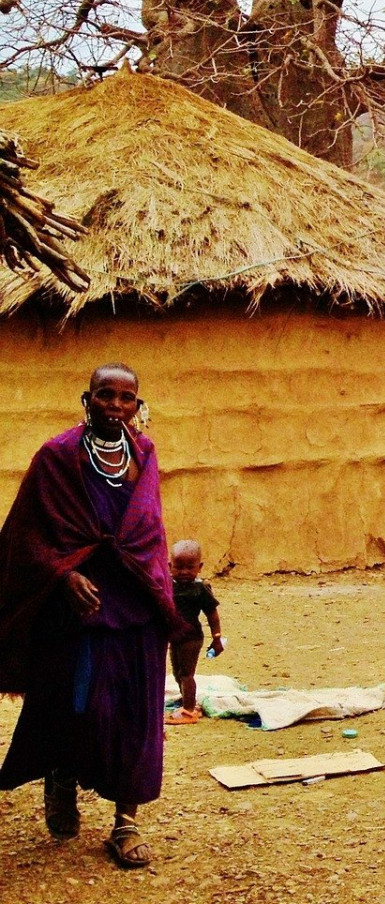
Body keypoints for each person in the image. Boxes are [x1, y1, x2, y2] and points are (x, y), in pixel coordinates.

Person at [0, 364, 178, 870]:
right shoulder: (57, 456)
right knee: (73, 704)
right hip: (76, 609)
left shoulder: (143, 454)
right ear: (87, 399)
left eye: (126, 398)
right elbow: (27, 533)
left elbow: (148, 529)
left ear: (137, 404)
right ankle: (60, 775)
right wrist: (63, 575)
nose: (116, 406)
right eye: (106, 395)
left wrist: (150, 581)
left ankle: (126, 822)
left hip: (135, 602)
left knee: (137, 712)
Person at [166, 539, 223, 724]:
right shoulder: (167, 586)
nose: (184, 572)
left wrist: (217, 638)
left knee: (186, 674)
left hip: (191, 637)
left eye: (189, 567)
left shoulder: (200, 590)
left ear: (199, 567)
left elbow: (212, 615)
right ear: (169, 566)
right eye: (178, 567)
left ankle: (189, 711)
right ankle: (187, 702)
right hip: (175, 637)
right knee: (177, 672)